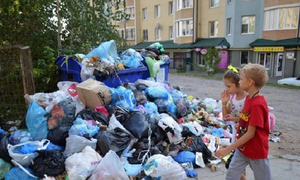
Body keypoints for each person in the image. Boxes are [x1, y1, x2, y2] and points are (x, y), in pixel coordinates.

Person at [216, 63, 271, 180]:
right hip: (242, 149)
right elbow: (245, 118)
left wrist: (228, 149)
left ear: (250, 82)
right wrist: (239, 123)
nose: (239, 81)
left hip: (256, 152)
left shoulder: (258, 104)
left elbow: (251, 133)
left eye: (241, 79)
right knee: (231, 175)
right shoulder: (248, 98)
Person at [221, 65, 247, 180]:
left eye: (229, 86)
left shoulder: (247, 99)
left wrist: (235, 119)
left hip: (245, 136)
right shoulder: (232, 98)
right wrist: (224, 103)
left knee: (233, 165)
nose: (227, 89)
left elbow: (249, 118)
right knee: (239, 165)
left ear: (239, 84)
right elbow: (226, 117)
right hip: (236, 135)